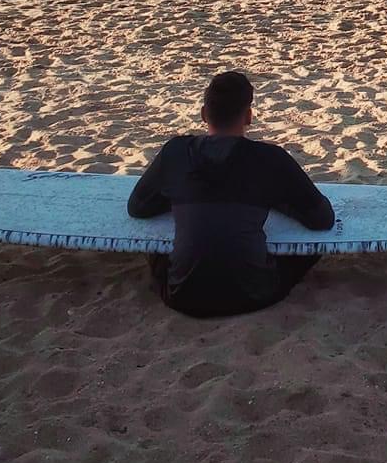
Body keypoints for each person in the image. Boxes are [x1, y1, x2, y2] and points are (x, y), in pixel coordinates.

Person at [128, 71, 335, 317]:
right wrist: (275, 200)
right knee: (310, 252)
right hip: (253, 295)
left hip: (182, 296)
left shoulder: (176, 152)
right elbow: (322, 219)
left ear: (204, 114)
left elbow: (138, 207)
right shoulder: (270, 159)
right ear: (249, 116)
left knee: (157, 255)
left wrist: (179, 195)